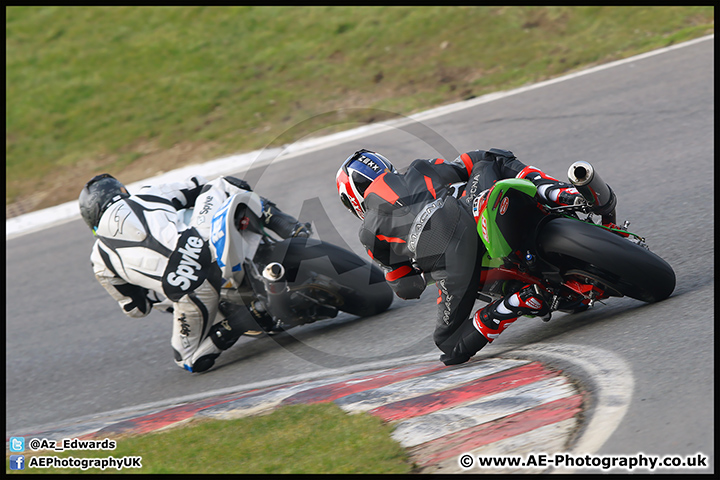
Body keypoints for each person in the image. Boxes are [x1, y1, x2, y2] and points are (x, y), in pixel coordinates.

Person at [336, 148, 585, 366]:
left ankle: (518, 301)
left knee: (449, 344)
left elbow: (405, 287)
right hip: (471, 211)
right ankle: (557, 192)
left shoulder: (368, 232)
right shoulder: (420, 168)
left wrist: (422, 269)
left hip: (451, 261)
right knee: (491, 158)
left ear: (353, 201)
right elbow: (472, 161)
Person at [79, 173, 311, 373]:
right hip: (204, 241)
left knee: (188, 359)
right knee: (224, 184)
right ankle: (291, 228)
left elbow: (137, 309)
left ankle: (246, 317)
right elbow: (198, 185)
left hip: (188, 288)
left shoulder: (99, 260)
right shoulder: (146, 194)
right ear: (120, 190)